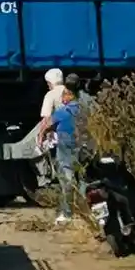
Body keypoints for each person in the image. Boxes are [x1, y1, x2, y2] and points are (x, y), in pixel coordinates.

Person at [37, 85, 88, 228]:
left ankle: (67, 213)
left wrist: (41, 136)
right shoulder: (84, 110)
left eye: (64, 95)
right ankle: (84, 211)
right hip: (82, 147)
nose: (62, 98)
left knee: (66, 179)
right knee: (83, 179)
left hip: (66, 148)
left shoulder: (63, 111)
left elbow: (47, 124)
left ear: (70, 95)